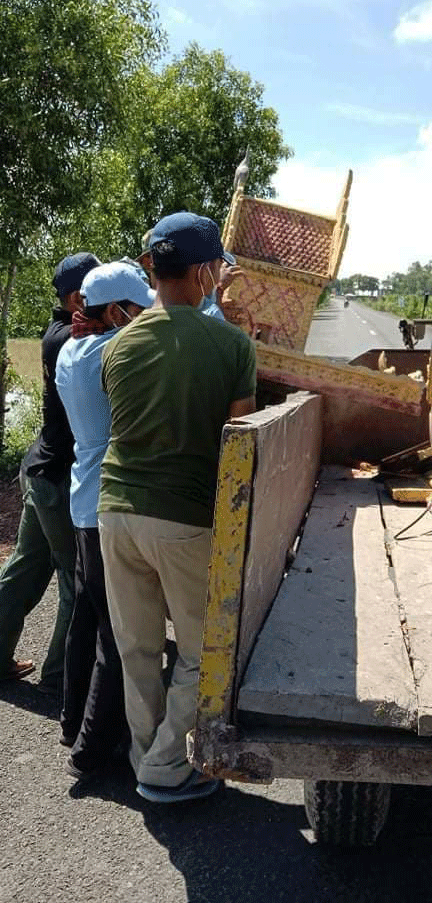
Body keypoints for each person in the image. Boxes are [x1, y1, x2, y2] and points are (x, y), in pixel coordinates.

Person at [98, 211, 256, 803]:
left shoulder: (118, 344)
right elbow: (237, 444)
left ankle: (147, 755)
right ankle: (165, 769)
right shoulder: (232, 344)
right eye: (215, 267)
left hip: (115, 511)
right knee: (199, 650)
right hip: (185, 517)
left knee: (136, 646)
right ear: (202, 271)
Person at [55, 262, 154, 780]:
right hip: (105, 504)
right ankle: (91, 752)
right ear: (116, 313)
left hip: (82, 502)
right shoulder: (114, 350)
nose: (146, 318)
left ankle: (72, 721)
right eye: (139, 310)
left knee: (87, 617)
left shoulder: (72, 350)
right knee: (118, 634)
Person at [0, 252, 100, 692]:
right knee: (75, 578)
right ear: (78, 297)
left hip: (41, 470)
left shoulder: (58, 332)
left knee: (25, 569)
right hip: (57, 479)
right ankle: (60, 676)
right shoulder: (68, 339)